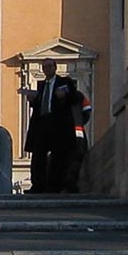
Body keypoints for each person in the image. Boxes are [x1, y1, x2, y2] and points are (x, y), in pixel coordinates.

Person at [22, 59, 80, 193]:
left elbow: (75, 99)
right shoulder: (42, 85)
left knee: (58, 155)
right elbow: (42, 103)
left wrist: (64, 95)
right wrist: (32, 100)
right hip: (42, 124)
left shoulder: (65, 82)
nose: (47, 69)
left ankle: (55, 185)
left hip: (58, 125)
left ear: (55, 68)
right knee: (38, 156)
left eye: (49, 66)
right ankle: (37, 185)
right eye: (44, 67)